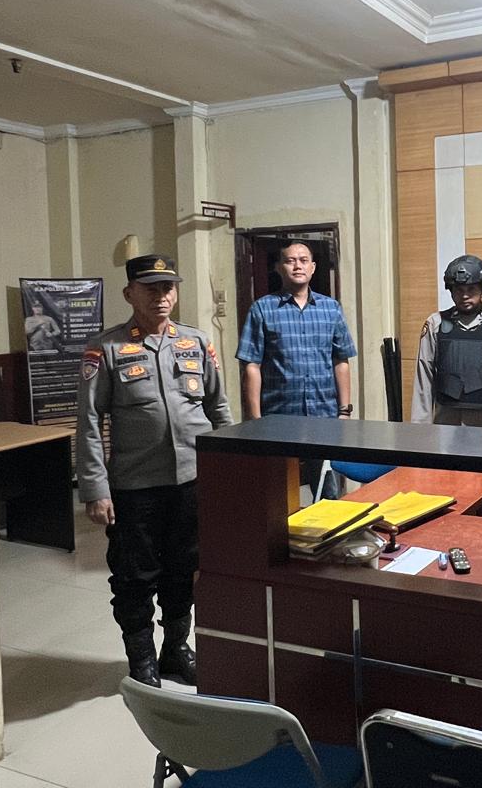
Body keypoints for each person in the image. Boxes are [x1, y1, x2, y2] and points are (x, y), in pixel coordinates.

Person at [76, 254, 233, 687]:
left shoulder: (196, 342)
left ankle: (175, 650)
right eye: (150, 288)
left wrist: (228, 473)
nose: (161, 296)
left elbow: (219, 410)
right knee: (135, 576)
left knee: (185, 570)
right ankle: (141, 658)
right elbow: (89, 422)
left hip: (192, 482)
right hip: (135, 487)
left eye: (167, 287)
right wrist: (96, 489)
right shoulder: (105, 348)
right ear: (129, 294)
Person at [236, 241, 357, 496]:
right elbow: (252, 365)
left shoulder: (331, 308)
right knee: (277, 494)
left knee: (327, 491)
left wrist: (344, 411)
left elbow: (341, 361)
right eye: (290, 261)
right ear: (279, 267)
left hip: (324, 416)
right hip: (277, 417)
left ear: (313, 267)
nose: (297, 266)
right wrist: (255, 419)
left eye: (303, 260)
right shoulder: (262, 309)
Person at [412, 254, 482, 427]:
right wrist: (420, 429)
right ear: (451, 291)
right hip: (447, 420)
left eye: (471, 289)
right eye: (459, 289)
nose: (465, 295)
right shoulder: (435, 323)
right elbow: (424, 377)